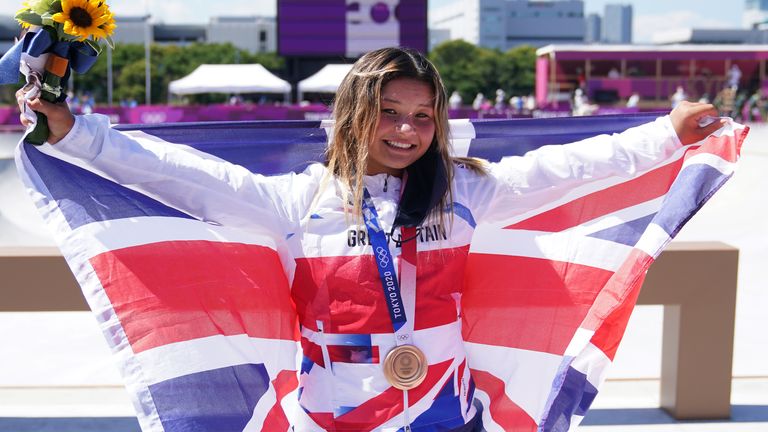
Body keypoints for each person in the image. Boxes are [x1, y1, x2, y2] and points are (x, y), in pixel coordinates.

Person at [16, 47, 723, 431]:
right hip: (336, 415)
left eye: (422, 116)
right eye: (390, 112)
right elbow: (181, 174)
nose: (408, 131)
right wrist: (80, 134)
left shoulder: (465, 191)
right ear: (356, 113)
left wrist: (667, 133)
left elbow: (572, 167)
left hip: (447, 411)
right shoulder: (298, 201)